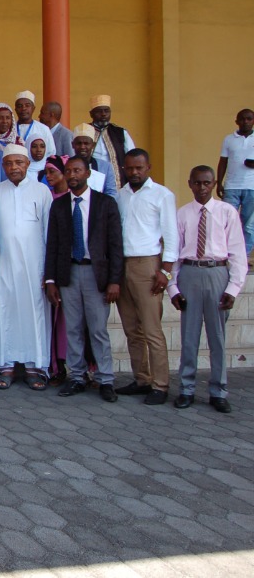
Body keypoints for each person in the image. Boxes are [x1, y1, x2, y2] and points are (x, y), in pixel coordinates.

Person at [44, 155, 124, 402]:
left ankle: (105, 379)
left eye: (77, 170)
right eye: (68, 171)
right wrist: (50, 281)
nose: (72, 175)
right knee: (74, 329)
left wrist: (114, 280)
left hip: (95, 274)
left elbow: (115, 245)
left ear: (88, 173)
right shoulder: (58, 205)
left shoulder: (105, 203)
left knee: (98, 329)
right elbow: (53, 245)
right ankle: (76, 376)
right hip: (68, 273)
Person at [169, 166, 248, 413]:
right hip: (190, 273)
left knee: (218, 338)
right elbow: (174, 252)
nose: (201, 188)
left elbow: (237, 252)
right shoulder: (182, 214)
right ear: (189, 183)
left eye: (206, 183)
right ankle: (187, 388)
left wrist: (233, 288)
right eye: (197, 183)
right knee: (189, 337)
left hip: (217, 273)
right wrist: (173, 287)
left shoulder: (227, 212)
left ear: (214, 184)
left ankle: (218, 390)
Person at [0, 144, 54, 390]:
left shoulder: (42, 192)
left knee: (34, 314)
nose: (14, 167)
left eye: (19, 163)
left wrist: (49, 271)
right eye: (9, 163)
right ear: (3, 166)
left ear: (27, 164)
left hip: (35, 266)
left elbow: (49, 232)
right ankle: (5, 366)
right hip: (3, 264)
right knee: (3, 312)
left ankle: (36, 367)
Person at [115, 149, 179, 405]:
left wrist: (165, 271)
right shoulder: (121, 195)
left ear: (148, 167)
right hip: (123, 265)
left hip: (148, 265)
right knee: (132, 329)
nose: (134, 172)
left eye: (139, 168)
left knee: (152, 329)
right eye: (129, 168)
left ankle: (160, 385)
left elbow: (172, 234)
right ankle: (142, 379)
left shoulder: (162, 195)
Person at [42, 155, 72, 383]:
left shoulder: (72, 199)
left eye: (52, 171)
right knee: (54, 318)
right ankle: (56, 365)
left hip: (72, 265)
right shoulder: (47, 198)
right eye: (46, 172)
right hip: (51, 264)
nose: (48, 177)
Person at [217, 108, 254, 256]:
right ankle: (226, 254)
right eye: (242, 119)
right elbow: (223, 162)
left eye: (249, 118)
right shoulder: (228, 139)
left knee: (249, 226)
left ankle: (243, 256)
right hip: (231, 187)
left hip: (252, 188)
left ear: (253, 121)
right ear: (236, 121)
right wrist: (219, 182)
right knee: (226, 222)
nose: (245, 121)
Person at [87, 94, 136, 187]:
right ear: (91, 114)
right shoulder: (84, 131)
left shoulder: (120, 132)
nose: (103, 114)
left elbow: (132, 155)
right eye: (99, 111)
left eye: (106, 111)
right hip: (91, 179)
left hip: (115, 179)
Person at [71, 124, 118, 197]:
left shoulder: (105, 167)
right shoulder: (65, 164)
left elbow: (111, 192)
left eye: (86, 143)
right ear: (73, 145)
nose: (82, 147)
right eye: (79, 143)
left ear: (93, 145)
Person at [13, 91, 56, 158]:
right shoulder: (10, 128)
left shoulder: (43, 129)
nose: (23, 108)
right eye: (20, 106)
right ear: (15, 109)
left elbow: (51, 153)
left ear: (33, 108)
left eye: (27, 105)